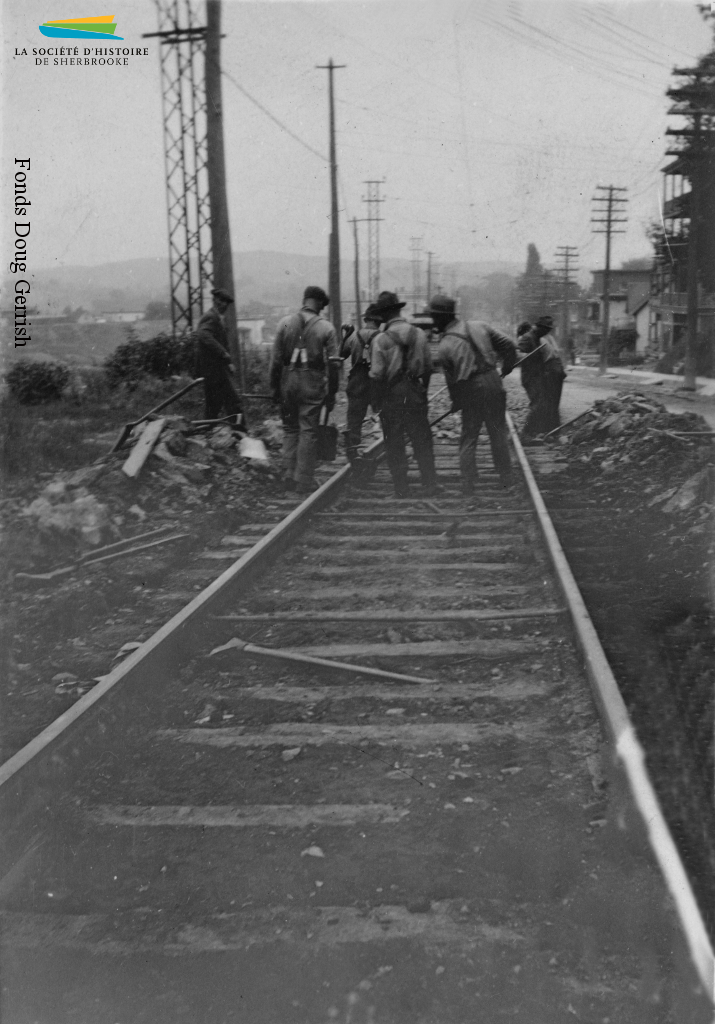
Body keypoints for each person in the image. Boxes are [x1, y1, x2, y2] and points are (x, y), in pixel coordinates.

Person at [429, 295, 518, 494]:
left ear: (442, 318)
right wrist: (507, 367)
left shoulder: (444, 346)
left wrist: (456, 401)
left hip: (470, 388)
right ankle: (506, 479)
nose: (433, 322)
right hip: (493, 381)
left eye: (434, 317)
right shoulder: (480, 325)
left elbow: (452, 382)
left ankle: (468, 485)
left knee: (469, 435)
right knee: (498, 433)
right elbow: (509, 345)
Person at [270, 286, 340, 494]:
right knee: (308, 430)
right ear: (318, 303)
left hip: (288, 382)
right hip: (312, 383)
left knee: (290, 429)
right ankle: (303, 481)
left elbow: (275, 361)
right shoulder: (326, 328)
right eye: (322, 305)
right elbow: (334, 365)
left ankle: (287, 475)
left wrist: (274, 387)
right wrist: (332, 392)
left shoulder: (284, 323)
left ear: (305, 300)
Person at [369, 291, 439, 498]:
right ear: (399, 310)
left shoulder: (380, 340)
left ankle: (401, 488)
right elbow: (427, 368)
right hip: (415, 392)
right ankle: (429, 483)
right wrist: (423, 393)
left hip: (392, 396)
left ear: (383, 315)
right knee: (422, 439)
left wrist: (376, 404)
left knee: (394, 442)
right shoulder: (418, 334)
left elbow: (376, 375)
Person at [194, 288, 243, 424]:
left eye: (226, 302)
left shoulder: (217, 318)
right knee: (232, 401)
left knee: (215, 404)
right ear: (215, 300)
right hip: (213, 369)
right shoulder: (211, 317)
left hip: (215, 369)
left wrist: (227, 361)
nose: (224, 305)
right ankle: (240, 432)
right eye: (221, 301)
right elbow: (204, 335)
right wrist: (224, 354)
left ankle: (207, 431)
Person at [341, 304, 382, 462]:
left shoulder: (353, 337)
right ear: (378, 321)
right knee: (384, 417)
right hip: (376, 381)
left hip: (357, 381)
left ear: (366, 319)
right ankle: (385, 449)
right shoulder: (382, 338)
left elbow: (341, 354)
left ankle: (352, 456)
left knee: (354, 420)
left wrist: (347, 335)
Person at [518, 314, 566, 441]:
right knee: (537, 403)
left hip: (537, 376)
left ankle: (534, 431)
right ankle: (526, 432)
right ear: (540, 327)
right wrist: (525, 357)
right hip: (530, 376)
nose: (547, 332)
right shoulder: (528, 337)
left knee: (541, 403)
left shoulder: (537, 337)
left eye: (548, 330)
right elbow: (518, 353)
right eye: (545, 329)